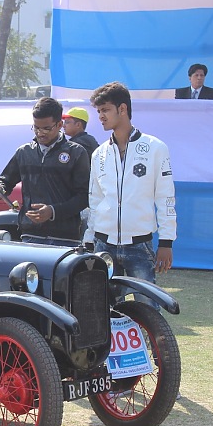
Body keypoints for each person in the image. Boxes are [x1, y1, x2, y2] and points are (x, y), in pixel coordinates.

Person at [85, 81, 177, 308]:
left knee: (148, 310)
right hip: (103, 245)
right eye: (98, 111)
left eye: (105, 110)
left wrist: (166, 242)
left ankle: (149, 345)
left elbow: (165, 197)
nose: (101, 117)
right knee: (102, 313)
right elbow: (95, 200)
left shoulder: (156, 148)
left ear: (122, 109)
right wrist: (89, 239)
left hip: (139, 245)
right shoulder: (99, 154)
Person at [0, 97, 90, 242]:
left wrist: (53, 211)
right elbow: (6, 181)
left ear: (59, 125)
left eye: (46, 128)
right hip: (30, 234)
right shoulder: (24, 152)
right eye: (36, 127)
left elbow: (84, 197)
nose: (40, 133)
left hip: (65, 238)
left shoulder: (76, 153)